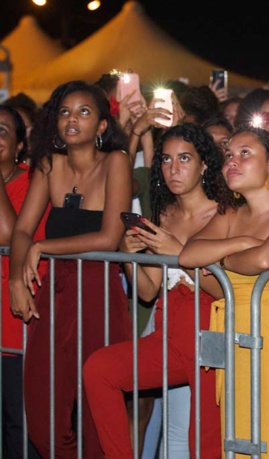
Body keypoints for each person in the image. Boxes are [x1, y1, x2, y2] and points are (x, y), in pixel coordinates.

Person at [83, 124, 231, 458]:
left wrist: (178, 250)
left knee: (204, 440)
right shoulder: (163, 215)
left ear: (204, 164)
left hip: (213, 337)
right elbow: (148, 291)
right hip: (170, 335)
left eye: (184, 158)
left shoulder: (225, 213)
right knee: (99, 368)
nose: (173, 168)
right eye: (166, 159)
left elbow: (226, 290)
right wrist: (128, 256)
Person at [7, 81, 133, 458]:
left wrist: (45, 247)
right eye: (64, 112)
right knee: (42, 413)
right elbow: (22, 230)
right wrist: (16, 279)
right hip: (54, 294)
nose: (72, 119)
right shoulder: (49, 165)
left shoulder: (117, 162)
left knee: (97, 407)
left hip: (99, 296)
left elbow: (110, 237)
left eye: (84, 112)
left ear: (102, 126)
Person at [179, 127, 269, 459]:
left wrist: (221, 259)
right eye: (228, 155)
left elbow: (265, 259)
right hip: (235, 337)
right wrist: (241, 244)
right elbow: (187, 256)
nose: (232, 162)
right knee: (238, 439)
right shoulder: (230, 215)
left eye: (244, 153)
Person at [0, 105, 46, 459]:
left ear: (18, 146)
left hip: (12, 326)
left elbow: (9, 235)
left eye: (1, 131)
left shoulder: (32, 183)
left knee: (19, 423)